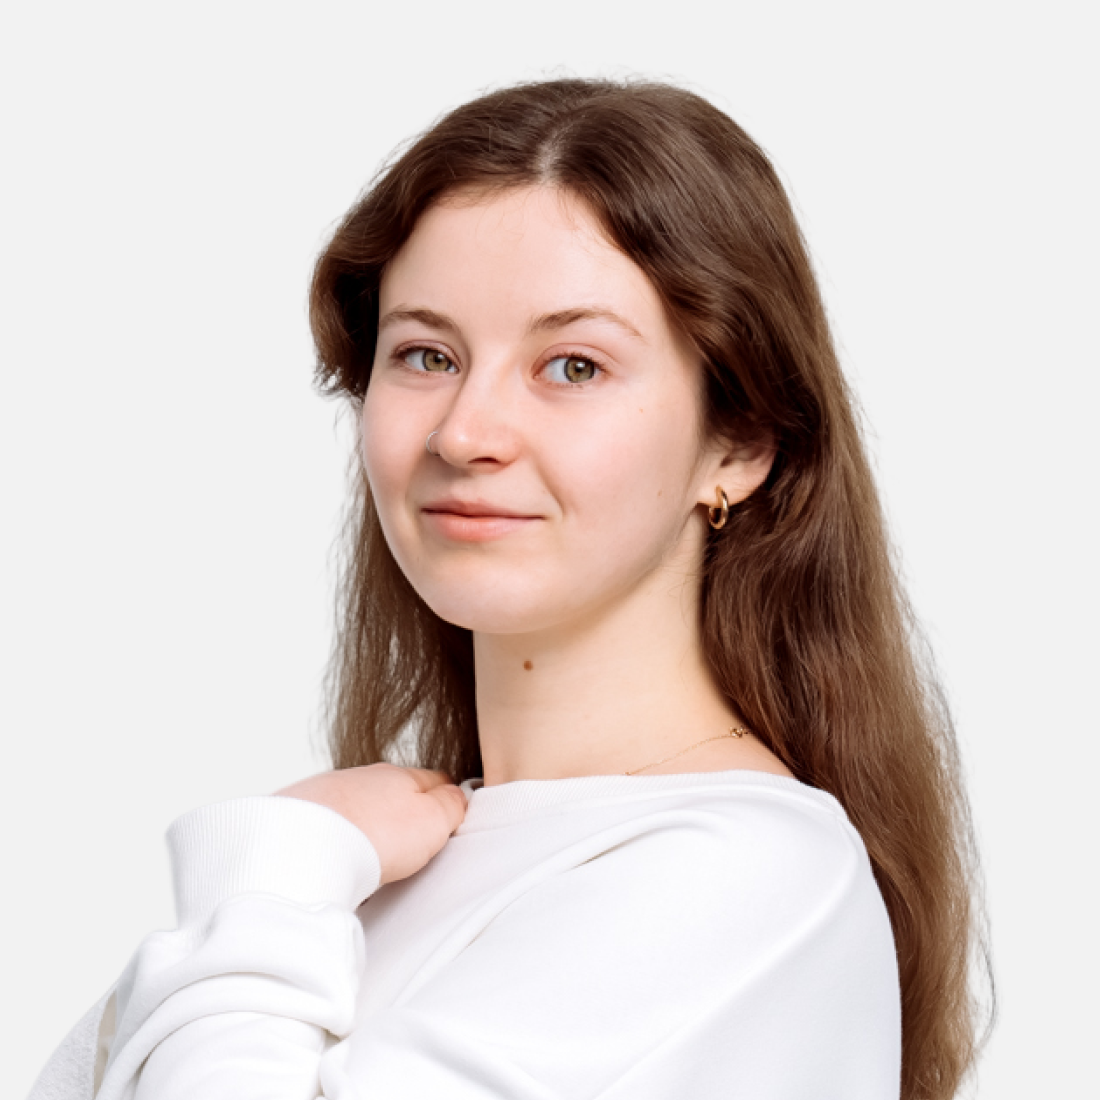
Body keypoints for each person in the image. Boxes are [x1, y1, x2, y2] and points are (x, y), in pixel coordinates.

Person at [28, 77, 993, 1100]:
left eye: (572, 366)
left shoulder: (753, 876)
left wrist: (268, 871)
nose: (463, 432)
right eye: (426, 354)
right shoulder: (367, 862)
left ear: (740, 442)